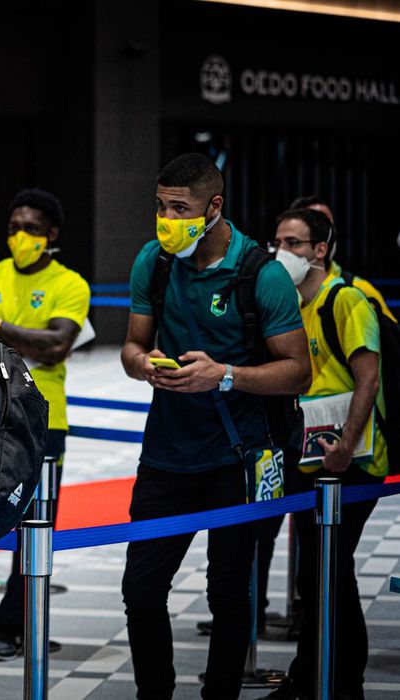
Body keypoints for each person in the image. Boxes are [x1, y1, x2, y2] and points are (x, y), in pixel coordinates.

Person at [120, 153, 311, 699]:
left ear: (214, 207)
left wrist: (224, 375)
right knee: (141, 587)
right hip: (165, 452)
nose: (166, 218)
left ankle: (220, 693)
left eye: (179, 208)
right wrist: (144, 365)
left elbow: (298, 371)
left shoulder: (262, 274)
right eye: (160, 206)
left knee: (228, 592)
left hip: (239, 456)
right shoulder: (152, 262)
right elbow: (134, 346)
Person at [0, 187, 89, 660]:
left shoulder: (69, 283)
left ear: (51, 235)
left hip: (43, 420)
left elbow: (56, 344)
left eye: (31, 229)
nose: (20, 236)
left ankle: (15, 625)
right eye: (14, 228)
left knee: (35, 522)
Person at [265, 208, 386, 700]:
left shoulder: (346, 299)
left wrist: (347, 447)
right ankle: (312, 676)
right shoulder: (291, 303)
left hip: (351, 465)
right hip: (309, 460)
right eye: (278, 241)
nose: (282, 252)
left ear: (320, 250)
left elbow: (368, 378)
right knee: (317, 573)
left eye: (293, 243)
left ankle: (342, 681)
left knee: (332, 570)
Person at [289, 195, 395, 322]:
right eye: (315, 228)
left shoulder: (360, 291)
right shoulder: (279, 293)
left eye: (329, 226)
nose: (326, 234)